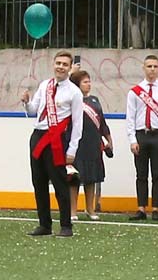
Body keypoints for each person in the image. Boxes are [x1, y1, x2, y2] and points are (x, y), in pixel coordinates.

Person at [21, 49, 84, 239]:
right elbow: (34, 110)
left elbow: (78, 123)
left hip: (57, 139)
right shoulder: (44, 85)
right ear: (53, 64)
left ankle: (66, 225)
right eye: (58, 63)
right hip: (38, 136)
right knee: (38, 182)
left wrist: (72, 149)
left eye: (65, 64)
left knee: (60, 183)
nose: (60, 67)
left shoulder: (74, 92)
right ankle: (44, 224)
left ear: (70, 67)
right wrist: (26, 103)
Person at [121, 55, 158, 219]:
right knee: (141, 174)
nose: (152, 69)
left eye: (155, 66)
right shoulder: (135, 92)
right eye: (149, 66)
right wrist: (132, 140)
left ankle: (156, 209)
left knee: (157, 174)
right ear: (143, 68)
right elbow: (131, 117)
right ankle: (141, 208)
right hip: (141, 135)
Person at [71, 67, 111, 219]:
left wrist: (108, 139)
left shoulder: (95, 100)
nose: (88, 84)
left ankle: (90, 209)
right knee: (74, 178)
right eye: (85, 82)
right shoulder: (72, 100)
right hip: (77, 143)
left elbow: (102, 122)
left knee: (91, 177)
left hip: (93, 143)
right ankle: (72, 211)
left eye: (89, 81)